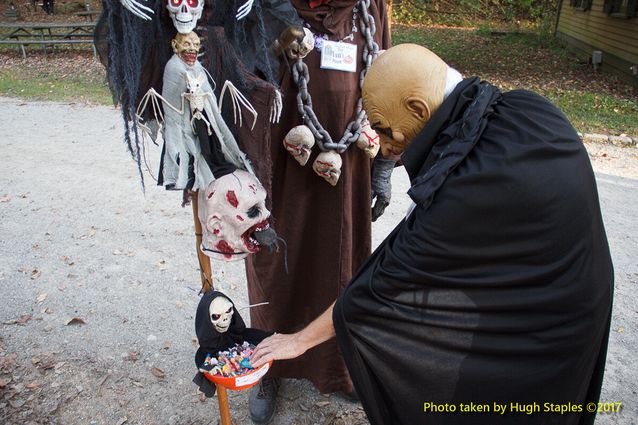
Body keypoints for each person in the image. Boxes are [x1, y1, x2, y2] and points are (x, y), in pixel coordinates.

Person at [251, 44, 614, 425]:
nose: (385, 147)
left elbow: (377, 285)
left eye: (383, 129)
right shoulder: (528, 107)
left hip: (554, 325)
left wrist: (299, 340)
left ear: (420, 110)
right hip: (582, 287)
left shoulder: (462, 194)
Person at [244, 0, 392, 423]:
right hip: (279, 161)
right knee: (275, 262)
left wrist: (383, 169)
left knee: (342, 262)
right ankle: (268, 364)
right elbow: (237, 75)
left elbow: (387, 81)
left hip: (349, 166)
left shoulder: (371, 7)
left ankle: (339, 366)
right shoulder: (266, 6)